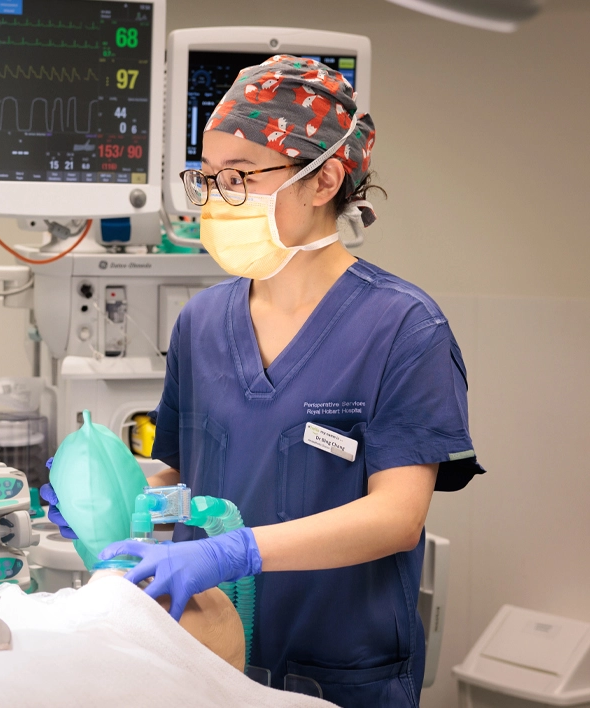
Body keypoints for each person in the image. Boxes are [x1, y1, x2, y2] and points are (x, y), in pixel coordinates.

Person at [43, 55, 483, 706]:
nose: (218, 200)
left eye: (241, 177)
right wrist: (103, 495)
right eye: (210, 178)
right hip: (210, 664)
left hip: (341, 679)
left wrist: (237, 552)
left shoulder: (403, 328)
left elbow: (397, 517)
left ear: (324, 178)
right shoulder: (203, 323)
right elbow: (177, 475)